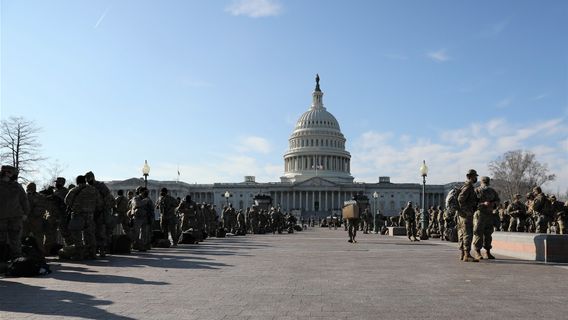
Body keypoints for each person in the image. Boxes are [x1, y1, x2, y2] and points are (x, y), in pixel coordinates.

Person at [64, 175, 100, 259]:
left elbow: (67, 201)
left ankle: (79, 254)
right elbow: (99, 203)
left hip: (78, 215)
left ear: (77, 182)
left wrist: (75, 206)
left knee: (77, 234)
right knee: (90, 234)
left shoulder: (74, 190)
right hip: (90, 215)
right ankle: (92, 253)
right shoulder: (94, 190)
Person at [0, 165, 29, 259]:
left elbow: (24, 200)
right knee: (1, 240)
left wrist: (25, 213)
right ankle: (2, 260)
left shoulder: (17, 186)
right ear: (6, 173)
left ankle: (17, 259)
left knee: (15, 240)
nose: (15, 175)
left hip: (15, 217)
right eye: (13, 173)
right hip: (1, 218)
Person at [85, 171, 115, 257]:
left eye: (88, 178)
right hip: (91, 212)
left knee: (100, 231)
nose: (87, 180)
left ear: (92, 177)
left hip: (100, 212)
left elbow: (107, 198)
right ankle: (92, 250)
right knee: (90, 232)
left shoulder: (100, 186)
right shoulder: (87, 187)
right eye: (86, 179)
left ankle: (102, 250)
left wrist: (102, 208)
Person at [472, 176, 500, 260]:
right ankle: (477, 252)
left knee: (488, 233)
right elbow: (473, 203)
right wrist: (483, 204)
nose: (485, 183)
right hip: (480, 213)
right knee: (478, 233)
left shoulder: (492, 191)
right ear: (481, 182)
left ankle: (487, 252)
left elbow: (498, 200)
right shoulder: (476, 190)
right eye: (484, 182)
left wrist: (493, 204)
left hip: (489, 213)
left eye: (486, 182)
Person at [457, 169, 479, 262]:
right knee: (468, 233)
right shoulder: (469, 186)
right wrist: (466, 211)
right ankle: (467, 254)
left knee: (462, 234)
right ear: (471, 176)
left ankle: (462, 254)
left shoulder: (465, 185)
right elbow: (461, 199)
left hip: (462, 214)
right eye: (475, 176)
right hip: (466, 214)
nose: (476, 178)